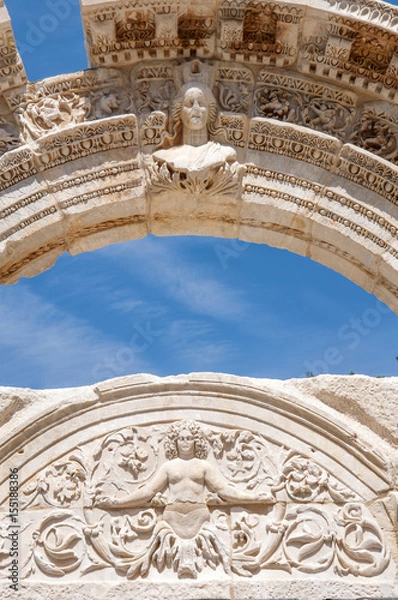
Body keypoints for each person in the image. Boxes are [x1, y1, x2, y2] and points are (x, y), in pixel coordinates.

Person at [95, 420, 272, 539]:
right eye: (181, 439)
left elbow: (224, 490)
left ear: (196, 442)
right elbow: (148, 492)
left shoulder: (204, 466)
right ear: (175, 442)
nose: (185, 442)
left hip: (199, 515)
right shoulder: (168, 467)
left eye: (189, 438)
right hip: (172, 515)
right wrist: (117, 502)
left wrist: (254, 498)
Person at [152, 84, 237, 174]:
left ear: (210, 112)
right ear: (179, 111)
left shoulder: (223, 153)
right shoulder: (165, 156)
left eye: (201, 104)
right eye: (190, 104)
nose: (196, 108)